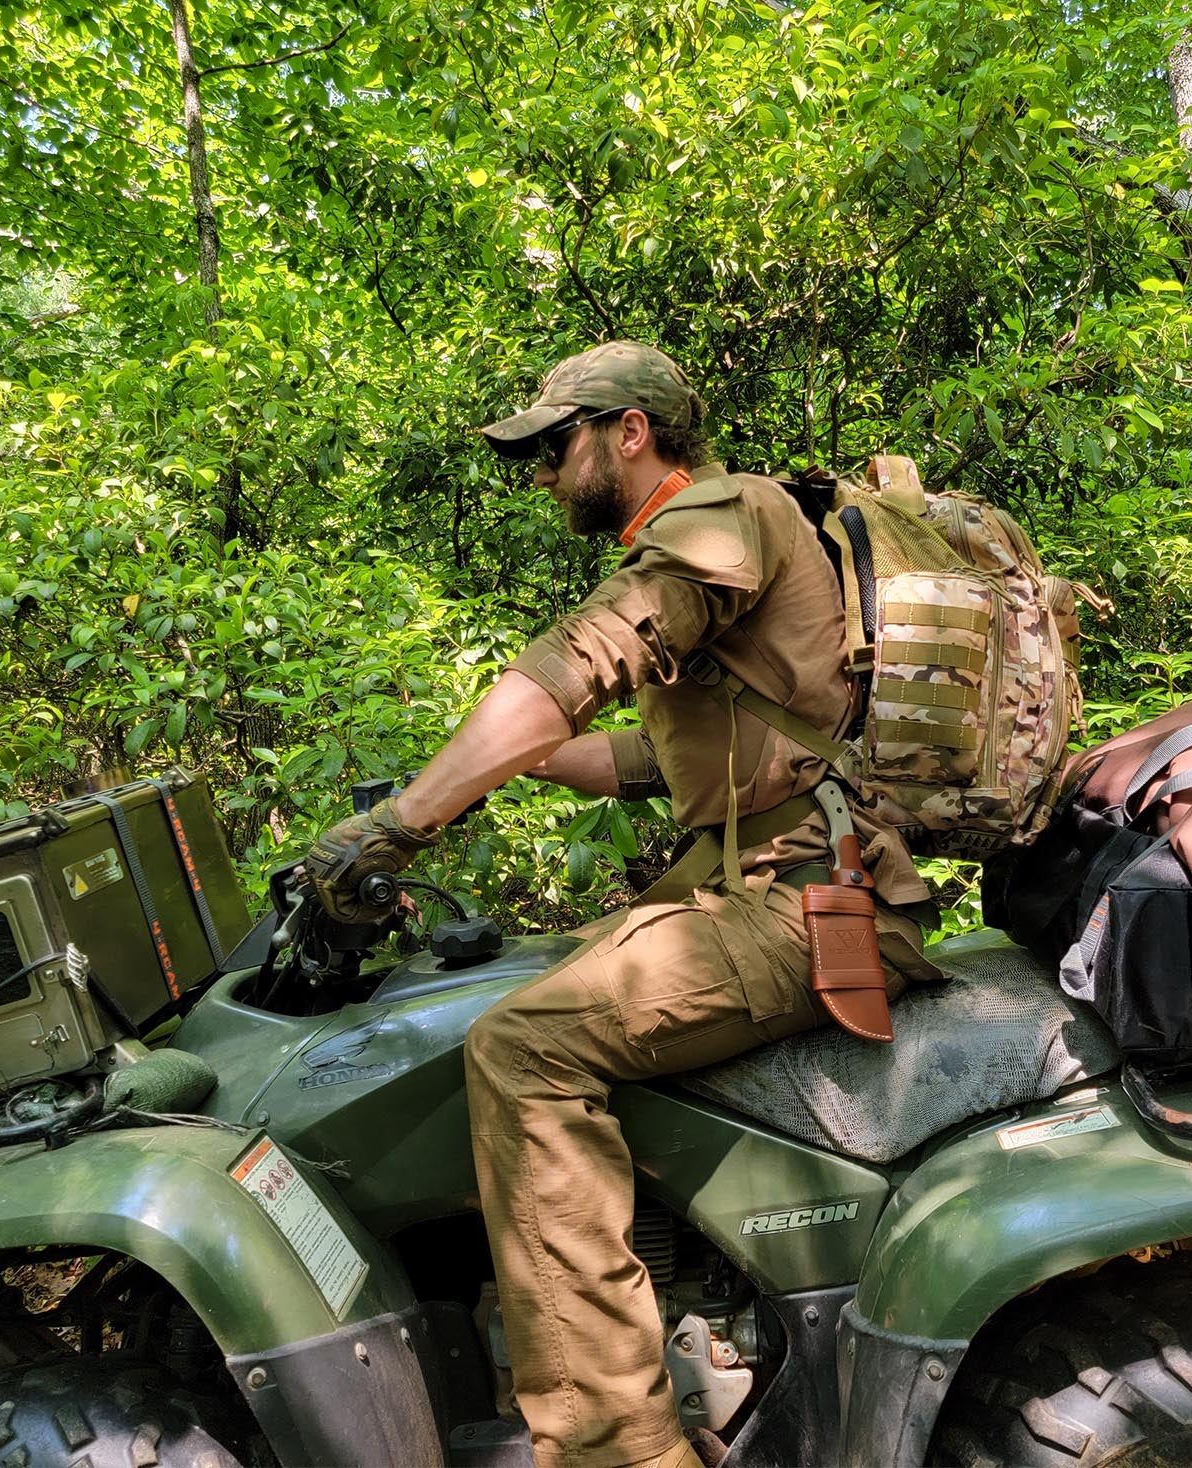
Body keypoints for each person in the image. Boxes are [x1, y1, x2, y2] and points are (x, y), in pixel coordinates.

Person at [303, 341, 937, 1468]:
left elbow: (584, 659)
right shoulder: (734, 540)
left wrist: (404, 821)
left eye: (556, 445)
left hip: (810, 901)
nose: (543, 473)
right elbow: (656, 760)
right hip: (776, 882)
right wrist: (493, 765)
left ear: (628, 433)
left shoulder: (720, 515)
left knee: (522, 1049)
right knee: (516, 982)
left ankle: (617, 1445)